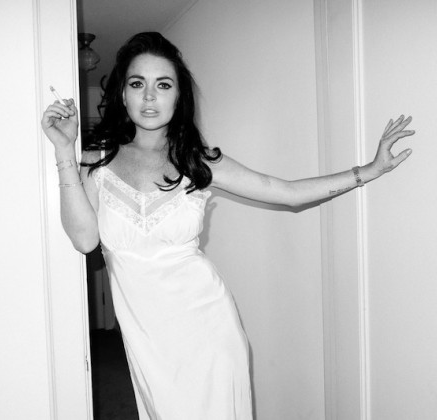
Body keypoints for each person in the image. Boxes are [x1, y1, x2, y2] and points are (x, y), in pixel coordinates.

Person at [41, 32, 414, 420]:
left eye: (163, 85)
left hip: (209, 328)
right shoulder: (98, 163)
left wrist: (369, 170)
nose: (149, 96)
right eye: (138, 84)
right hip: (147, 340)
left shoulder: (198, 161)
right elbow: (84, 240)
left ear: (178, 97)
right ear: (123, 94)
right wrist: (64, 150)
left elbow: (286, 192)